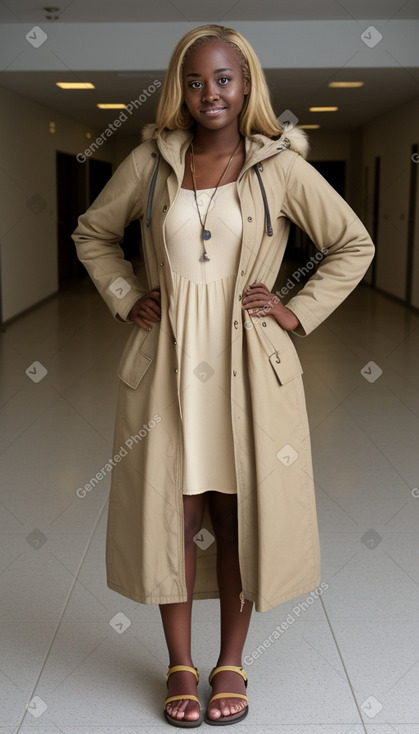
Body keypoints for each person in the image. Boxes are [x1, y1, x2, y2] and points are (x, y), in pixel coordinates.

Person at [72, 23, 374, 728]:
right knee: (171, 519)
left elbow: (350, 243)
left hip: (247, 369)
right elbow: (93, 232)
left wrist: (294, 312)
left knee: (238, 520)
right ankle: (180, 662)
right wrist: (125, 295)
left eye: (224, 79)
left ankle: (231, 661)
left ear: (246, 87)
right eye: (195, 79)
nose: (211, 92)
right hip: (167, 369)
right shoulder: (150, 163)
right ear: (180, 87)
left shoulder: (280, 168)